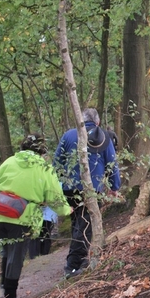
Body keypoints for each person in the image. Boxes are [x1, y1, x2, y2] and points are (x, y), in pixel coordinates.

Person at [0, 133, 71, 298]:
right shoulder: (44, 168)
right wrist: (66, 210)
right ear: (42, 151)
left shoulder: (8, 162)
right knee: (16, 255)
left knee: (8, 250)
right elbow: (55, 197)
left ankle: (4, 285)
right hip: (21, 216)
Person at [54, 108, 121, 279]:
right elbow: (112, 163)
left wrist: (59, 183)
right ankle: (72, 266)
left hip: (69, 188)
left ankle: (81, 259)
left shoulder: (68, 135)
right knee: (85, 224)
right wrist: (114, 187)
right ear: (97, 122)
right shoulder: (103, 136)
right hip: (91, 188)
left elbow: (57, 163)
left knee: (78, 222)